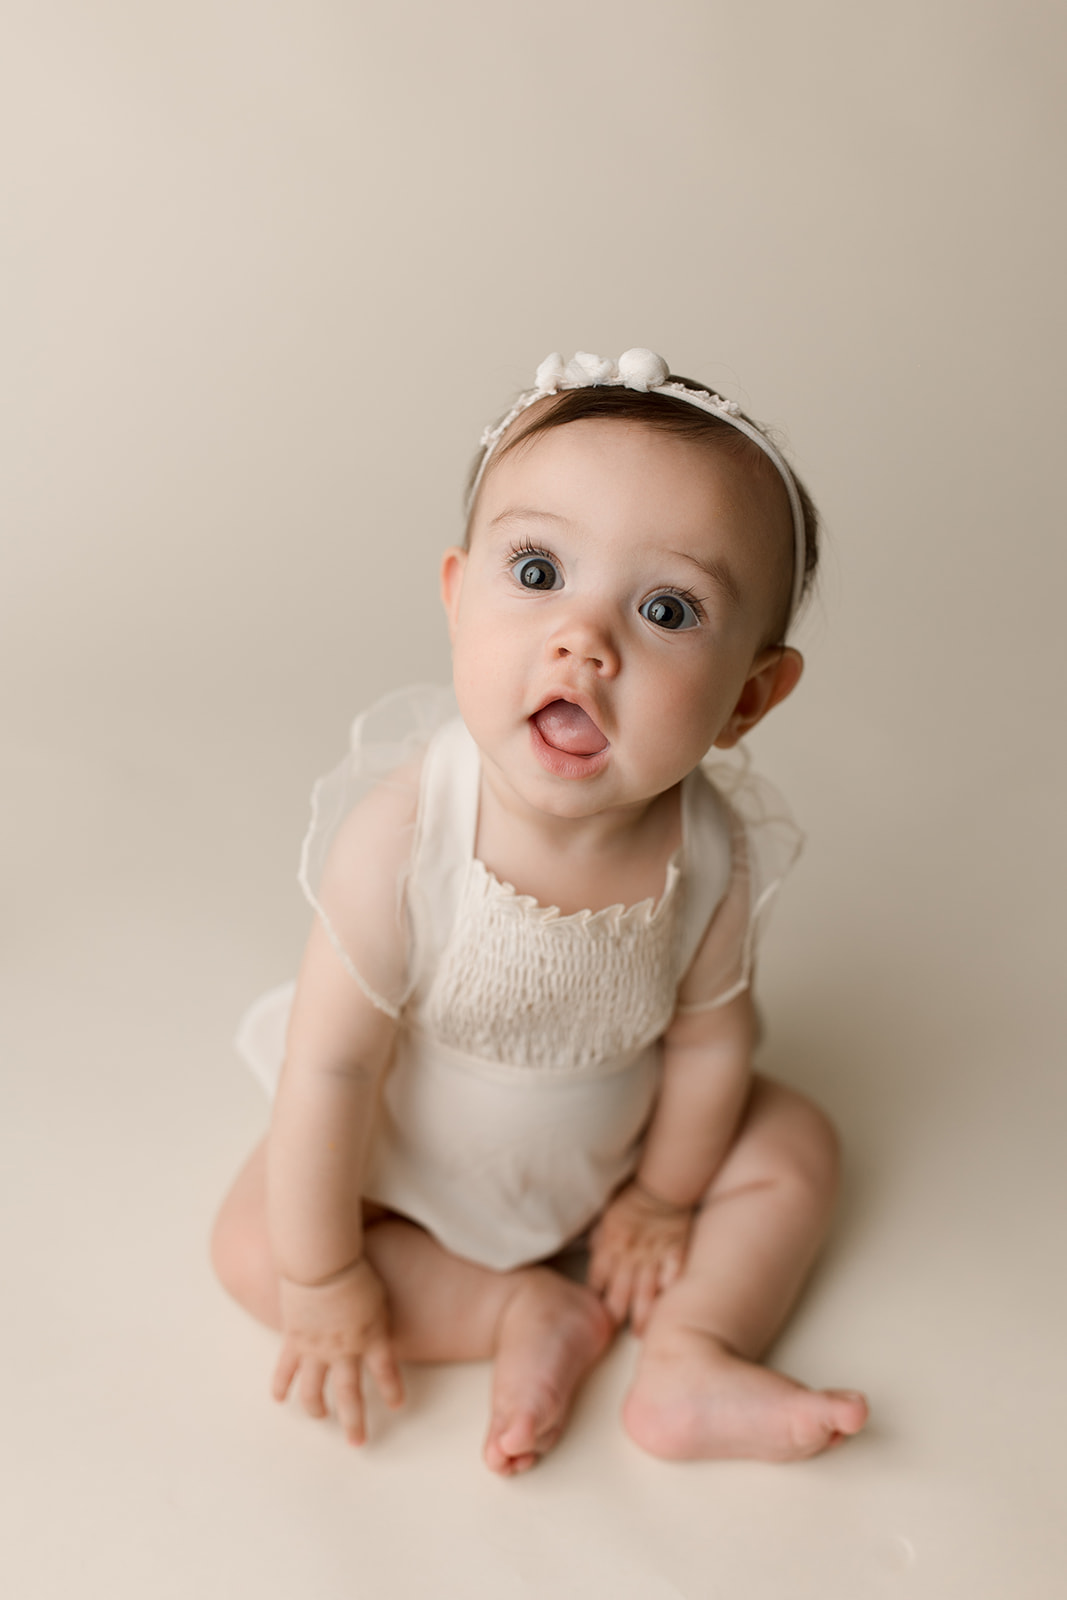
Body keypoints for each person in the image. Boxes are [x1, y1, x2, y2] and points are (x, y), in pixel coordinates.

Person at [211, 348, 870, 1475]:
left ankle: (692, 1354)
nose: (584, 640)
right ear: (458, 594)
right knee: (253, 1248)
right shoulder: (407, 834)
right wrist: (324, 1280)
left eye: (666, 607)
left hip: (621, 1153)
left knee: (796, 1144)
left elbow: (713, 1037)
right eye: (536, 571)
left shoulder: (707, 844)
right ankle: (511, 1311)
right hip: (410, 1166)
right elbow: (328, 1072)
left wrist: (663, 1198)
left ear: (747, 697)